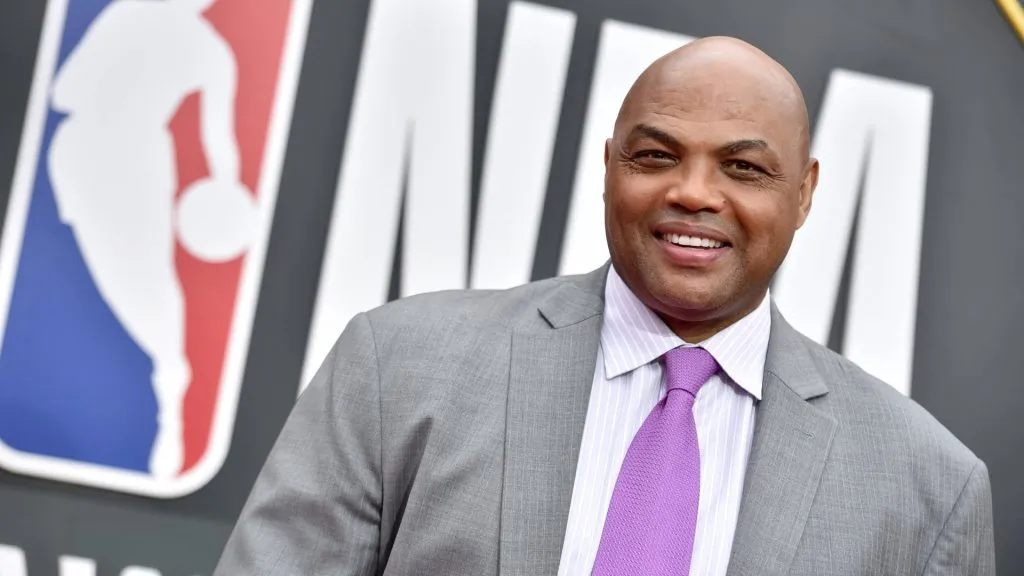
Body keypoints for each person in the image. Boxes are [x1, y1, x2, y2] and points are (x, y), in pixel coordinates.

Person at [214, 36, 995, 575]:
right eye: (655, 156)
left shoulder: (925, 487)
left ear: (805, 193)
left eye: (743, 168)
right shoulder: (399, 368)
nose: (692, 192)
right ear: (608, 167)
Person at [47, 0, 244, 478]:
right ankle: (162, 375)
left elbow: (220, 144)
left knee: (145, 279)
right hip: (87, 155)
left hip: (129, 159)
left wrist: (226, 199)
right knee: (110, 278)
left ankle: (169, 384)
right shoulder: (148, 20)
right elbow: (63, 91)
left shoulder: (207, 50)